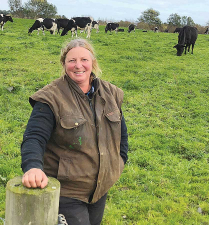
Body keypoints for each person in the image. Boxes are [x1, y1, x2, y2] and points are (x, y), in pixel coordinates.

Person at [21, 38, 128, 225]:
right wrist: (33, 167)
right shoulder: (51, 97)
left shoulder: (110, 93)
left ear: (93, 62)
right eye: (72, 61)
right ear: (64, 64)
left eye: (84, 60)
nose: (78, 66)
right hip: (67, 193)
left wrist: (119, 162)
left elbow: (122, 134)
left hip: (100, 189)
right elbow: (34, 137)